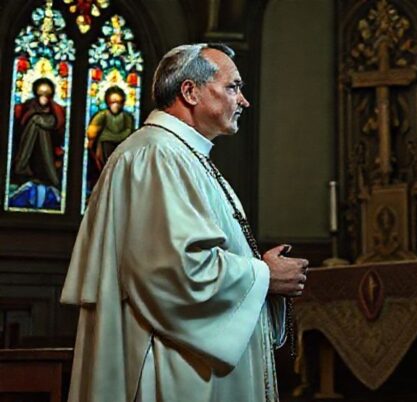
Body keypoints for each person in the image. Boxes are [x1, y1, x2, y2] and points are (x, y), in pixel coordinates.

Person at [60, 43, 309, 402]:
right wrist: (265, 275)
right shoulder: (157, 155)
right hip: (169, 369)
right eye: (233, 87)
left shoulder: (180, 155)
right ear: (190, 91)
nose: (243, 101)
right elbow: (173, 272)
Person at [12, 77, 66, 187]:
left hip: (50, 149)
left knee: (39, 124)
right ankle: (23, 168)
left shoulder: (56, 109)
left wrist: (44, 122)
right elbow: (20, 125)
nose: (44, 97)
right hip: (29, 149)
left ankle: (49, 174)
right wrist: (36, 120)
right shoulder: (28, 106)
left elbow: (59, 127)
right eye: (41, 93)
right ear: (36, 92)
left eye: (47, 93)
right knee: (35, 121)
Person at [87, 86, 135, 171]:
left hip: (122, 146)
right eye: (112, 102)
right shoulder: (102, 115)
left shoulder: (127, 117)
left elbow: (129, 131)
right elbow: (92, 132)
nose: (115, 104)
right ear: (107, 102)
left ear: (122, 102)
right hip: (105, 145)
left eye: (118, 102)